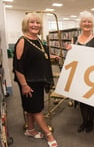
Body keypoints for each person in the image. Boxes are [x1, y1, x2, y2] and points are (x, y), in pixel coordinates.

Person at [13, 12, 57, 147]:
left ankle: (30, 130)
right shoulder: (22, 41)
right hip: (29, 82)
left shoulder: (37, 39)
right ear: (26, 24)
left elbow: (38, 56)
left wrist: (52, 57)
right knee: (37, 109)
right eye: (32, 22)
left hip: (38, 80)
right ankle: (49, 136)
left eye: (38, 22)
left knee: (30, 108)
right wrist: (24, 85)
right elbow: (18, 67)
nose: (35, 25)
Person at [67, 10, 94, 133]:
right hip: (79, 75)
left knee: (91, 101)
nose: (87, 23)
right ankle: (84, 122)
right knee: (81, 100)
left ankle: (90, 122)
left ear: (92, 24)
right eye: (84, 21)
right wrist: (69, 51)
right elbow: (72, 58)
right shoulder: (74, 39)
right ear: (80, 24)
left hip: (93, 75)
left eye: (89, 21)